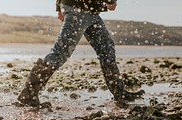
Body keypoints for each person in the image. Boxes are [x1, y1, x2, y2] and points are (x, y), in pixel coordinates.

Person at [17, 0, 145, 108]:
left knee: (107, 49)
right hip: (80, 8)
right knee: (60, 52)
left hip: (88, 10)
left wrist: (59, 6)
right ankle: (29, 94)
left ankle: (119, 93)